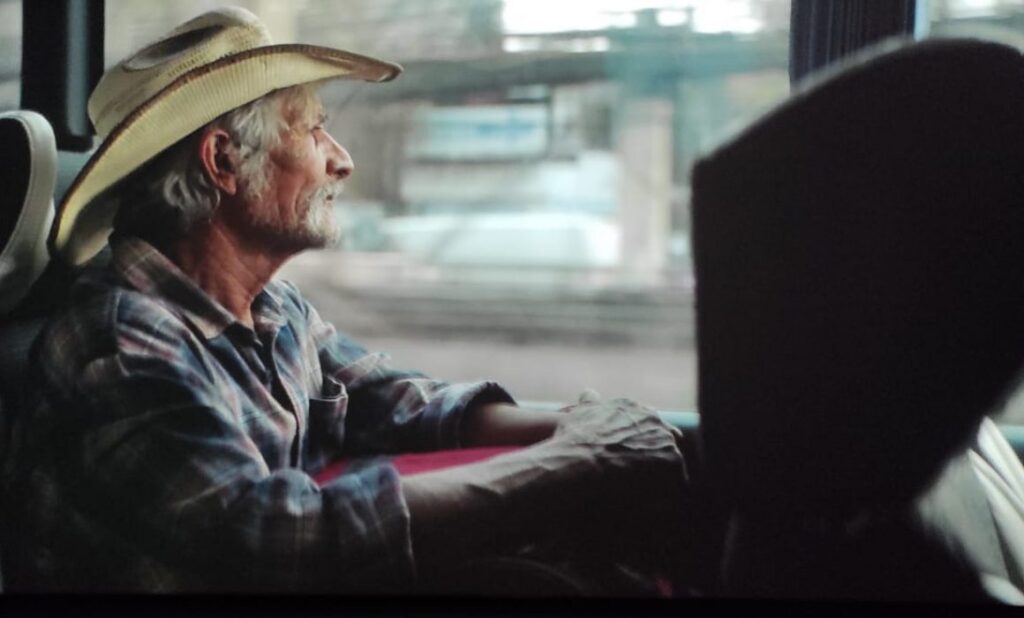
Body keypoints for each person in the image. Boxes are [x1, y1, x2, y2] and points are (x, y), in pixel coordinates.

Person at [1, 7, 688, 593]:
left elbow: (392, 401)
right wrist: (577, 461)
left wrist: (587, 429)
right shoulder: (120, 339)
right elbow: (263, 534)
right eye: (312, 129)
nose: (342, 159)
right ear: (222, 162)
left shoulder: (275, 309)